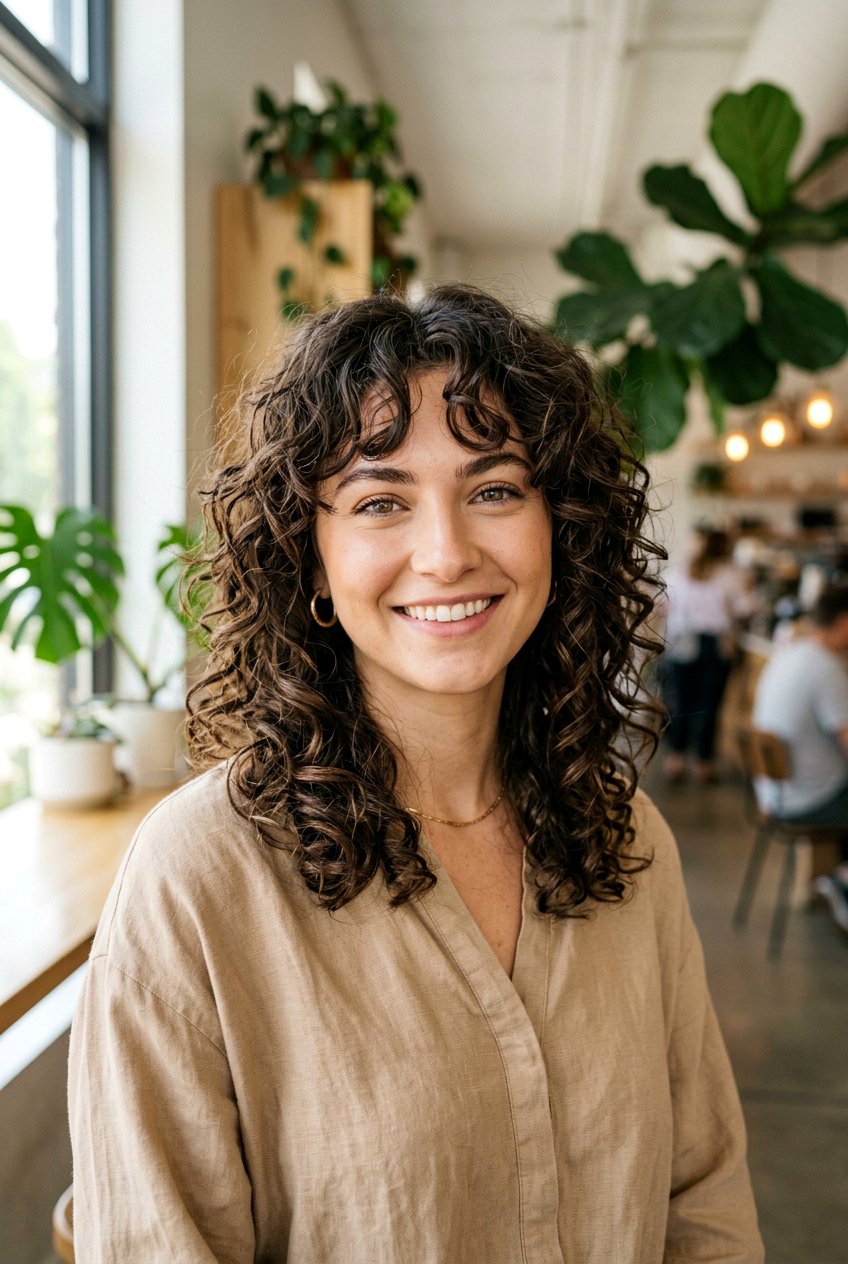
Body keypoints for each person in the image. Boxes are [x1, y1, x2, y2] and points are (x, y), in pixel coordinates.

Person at [68, 286, 763, 1261]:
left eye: (492, 490)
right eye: (380, 501)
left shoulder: (626, 839)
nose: (445, 552)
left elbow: (703, 1207)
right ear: (309, 558)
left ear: (556, 528)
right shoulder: (199, 877)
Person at [752, 583, 848, 934]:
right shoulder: (827, 669)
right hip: (807, 800)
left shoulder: (791, 654)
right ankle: (841, 877)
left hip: (774, 794)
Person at [660, 527, 753, 784]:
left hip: (682, 641)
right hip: (715, 645)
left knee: (680, 702)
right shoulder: (731, 574)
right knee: (709, 705)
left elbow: (663, 603)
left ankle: (675, 759)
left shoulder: (680, 572)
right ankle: (703, 763)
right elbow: (745, 608)